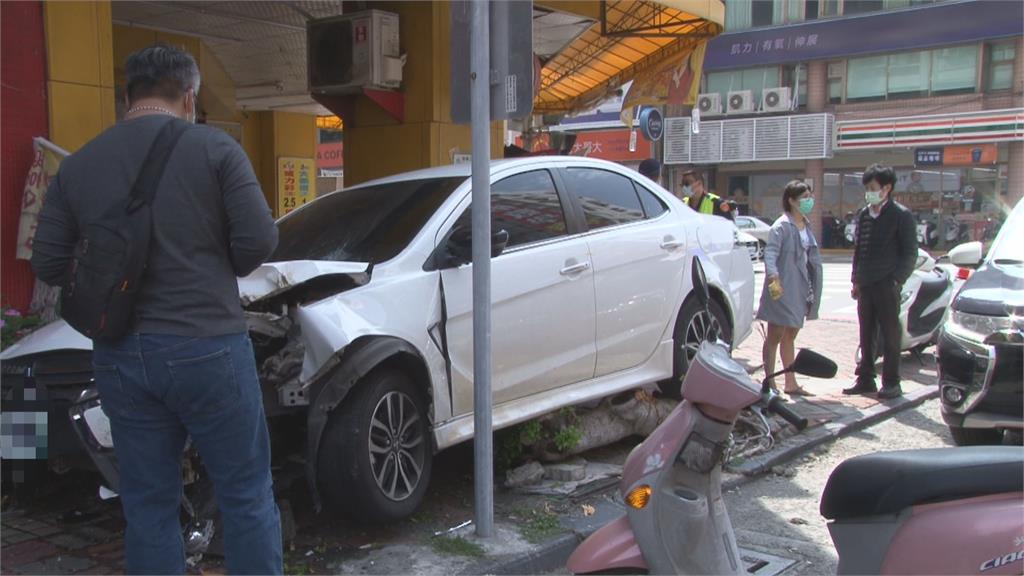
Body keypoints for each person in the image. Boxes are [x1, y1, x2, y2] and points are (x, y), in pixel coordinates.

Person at [31, 44, 282, 574]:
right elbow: (259, 241)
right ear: (188, 96)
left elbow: (49, 262)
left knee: (147, 506)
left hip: (121, 355)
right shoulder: (216, 150)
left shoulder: (79, 166)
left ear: (128, 96)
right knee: (245, 495)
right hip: (208, 345)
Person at [844, 163, 917, 400]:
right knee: (866, 333)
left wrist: (897, 280)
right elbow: (859, 249)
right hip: (866, 283)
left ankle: (891, 382)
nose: (869, 192)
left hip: (887, 283)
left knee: (890, 333)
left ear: (887, 188)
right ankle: (865, 379)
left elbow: (910, 253)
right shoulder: (864, 215)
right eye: (867, 188)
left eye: (872, 187)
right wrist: (856, 279)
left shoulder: (901, 216)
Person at [756, 180, 823, 397]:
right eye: (804, 197)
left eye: (809, 196)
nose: (808, 200)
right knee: (775, 334)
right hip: (782, 286)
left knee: (791, 334)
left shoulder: (805, 225)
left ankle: (790, 382)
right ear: (791, 200)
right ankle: (770, 381)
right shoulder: (781, 226)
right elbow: (771, 253)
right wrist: (774, 277)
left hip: (801, 287)